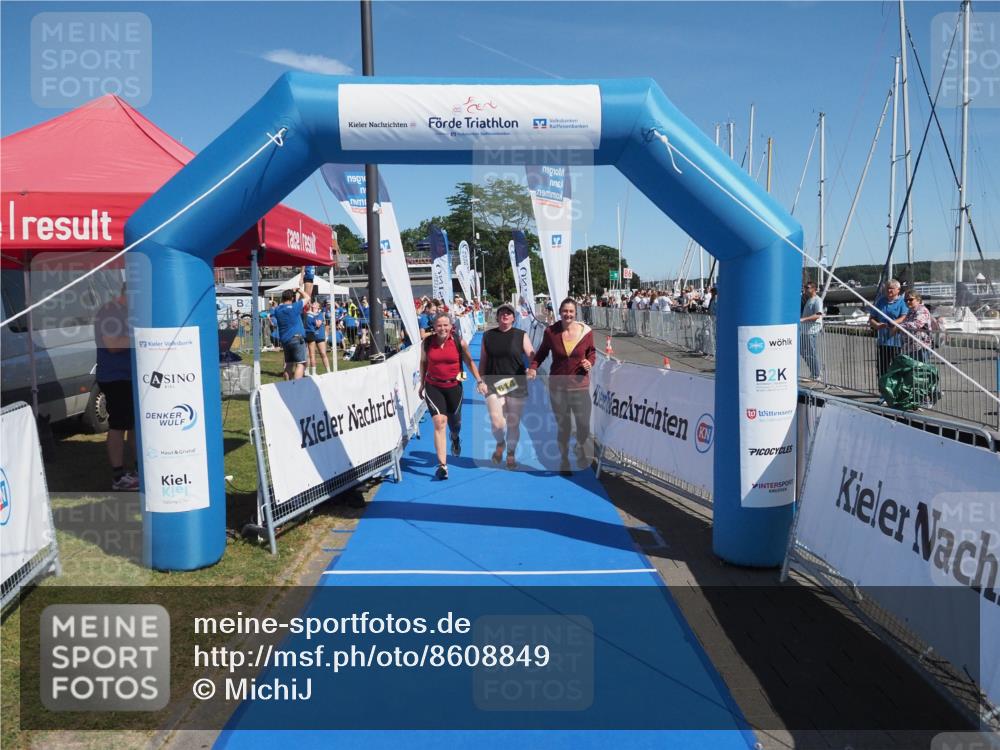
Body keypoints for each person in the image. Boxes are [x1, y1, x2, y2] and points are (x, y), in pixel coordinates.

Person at [528, 297, 596, 475]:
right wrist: (533, 368)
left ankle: (580, 447)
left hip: (580, 386)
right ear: (560, 312)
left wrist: (590, 362)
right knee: (564, 426)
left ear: (576, 313)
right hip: (557, 387)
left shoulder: (585, 332)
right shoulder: (551, 332)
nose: (568, 314)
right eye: (565, 311)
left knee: (583, 426)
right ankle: (564, 460)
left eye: (571, 311)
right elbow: (541, 353)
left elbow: (592, 352)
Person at [419, 313, 487, 480]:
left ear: (451, 326)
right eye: (439, 325)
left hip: (454, 386)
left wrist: (479, 381)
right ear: (433, 327)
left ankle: (455, 437)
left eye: (445, 325)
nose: (442, 328)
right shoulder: (427, 343)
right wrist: (422, 383)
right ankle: (442, 466)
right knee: (439, 422)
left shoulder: (459, 342)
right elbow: (423, 363)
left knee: (455, 423)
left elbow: (470, 362)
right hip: (433, 385)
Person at [479, 302, 535, 469]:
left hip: (515, 382)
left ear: (513, 317)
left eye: (509, 313)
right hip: (493, 383)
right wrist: (480, 380)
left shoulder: (521, 335)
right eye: (502, 312)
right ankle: (500, 443)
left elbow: (532, 355)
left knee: (513, 422)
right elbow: (483, 360)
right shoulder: (488, 336)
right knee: (497, 422)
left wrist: (532, 368)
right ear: (497, 316)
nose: (505, 315)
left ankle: (510, 452)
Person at [95, 286, 138, 490]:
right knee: (119, 425)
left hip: (131, 376)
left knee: (134, 425)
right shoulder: (110, 312)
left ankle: (138, 470)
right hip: (116, 377)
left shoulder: (129, 312)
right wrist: (143, 337)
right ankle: (118, 476)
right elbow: (112, 345)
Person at [869, 279, 908, 383]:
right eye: (887, 288)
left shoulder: (902, 302)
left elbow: (904, 317)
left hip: (897, 341)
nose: (889, 290)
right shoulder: (881, 301)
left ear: (898, 290)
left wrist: (894, 322)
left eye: (891, 288)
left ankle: (896, 389)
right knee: (882, 367)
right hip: (883, 340)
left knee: (897, 367)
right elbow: (872, 317)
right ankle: (883, 390)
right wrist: (876, 325)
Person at [273, 287, 309, 380]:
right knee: (301, 364)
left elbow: (281, 305)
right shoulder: (294, 307)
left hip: (285, 340)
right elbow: (307, 298)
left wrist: (291, 293)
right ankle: (297, 387)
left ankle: (287, 386)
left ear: (282, 298)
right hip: (296, 338)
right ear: (292, 299)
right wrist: (299, 290)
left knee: (288, 364)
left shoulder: (277, 310)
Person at [799, 281, 824, 381]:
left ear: (814, 289)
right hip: (805, 330)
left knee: (811, 352)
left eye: (807, 287)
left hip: (811, 330)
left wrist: (803, 319)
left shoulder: (817, 300)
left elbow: (818, 315)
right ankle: (815, 371)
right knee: (802, 351)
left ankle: (816, 375)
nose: (805, 289)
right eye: (805, 287)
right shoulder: (808, 299)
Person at [306, 300, 331, 376]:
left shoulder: (319, 314)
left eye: (315, 304)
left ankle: (328, 371)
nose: (313, 304)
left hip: (319, 336)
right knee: (309, 354)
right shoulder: (309, 314)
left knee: (323, 353)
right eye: (313, 303)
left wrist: (313, 316)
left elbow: (318, 324)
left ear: (318, 307)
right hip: (311, 336)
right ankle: (308, 371)